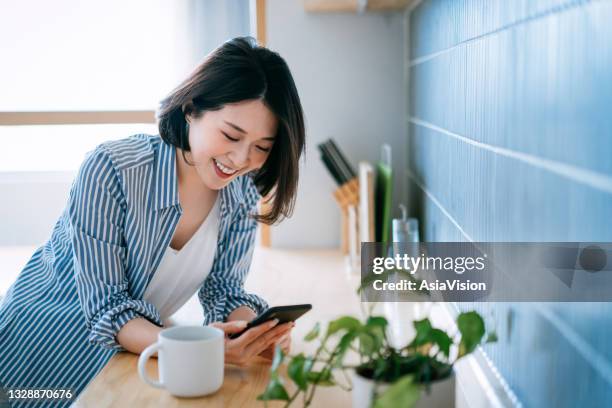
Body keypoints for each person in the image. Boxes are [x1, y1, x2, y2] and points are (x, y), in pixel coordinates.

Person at [0, 36, 305, 406]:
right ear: (192, 109)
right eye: (230, 135)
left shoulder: (240, 195)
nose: (241, 159)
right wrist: (203, 350)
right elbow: (108, 308)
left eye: (261, 147)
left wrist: (251, 333)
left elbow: (225, 291)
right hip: (36, 348)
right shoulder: (112, 169)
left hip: (127, 358)